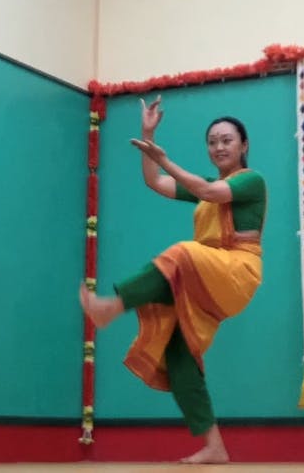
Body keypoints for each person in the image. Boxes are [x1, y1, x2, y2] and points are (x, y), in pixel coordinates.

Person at [79, 97, 266, 464]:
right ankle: (215, 447)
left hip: (236, 270)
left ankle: (112, 306)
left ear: (243, 145)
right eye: (212, 141)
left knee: (181, 253)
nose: (219, 147)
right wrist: (148, 136)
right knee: (179, 353)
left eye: (227, 140)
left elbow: (209, 192)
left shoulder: (250, 181)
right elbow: (154, 181)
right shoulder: (205, 189)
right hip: (208, 275)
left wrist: (166, 159)